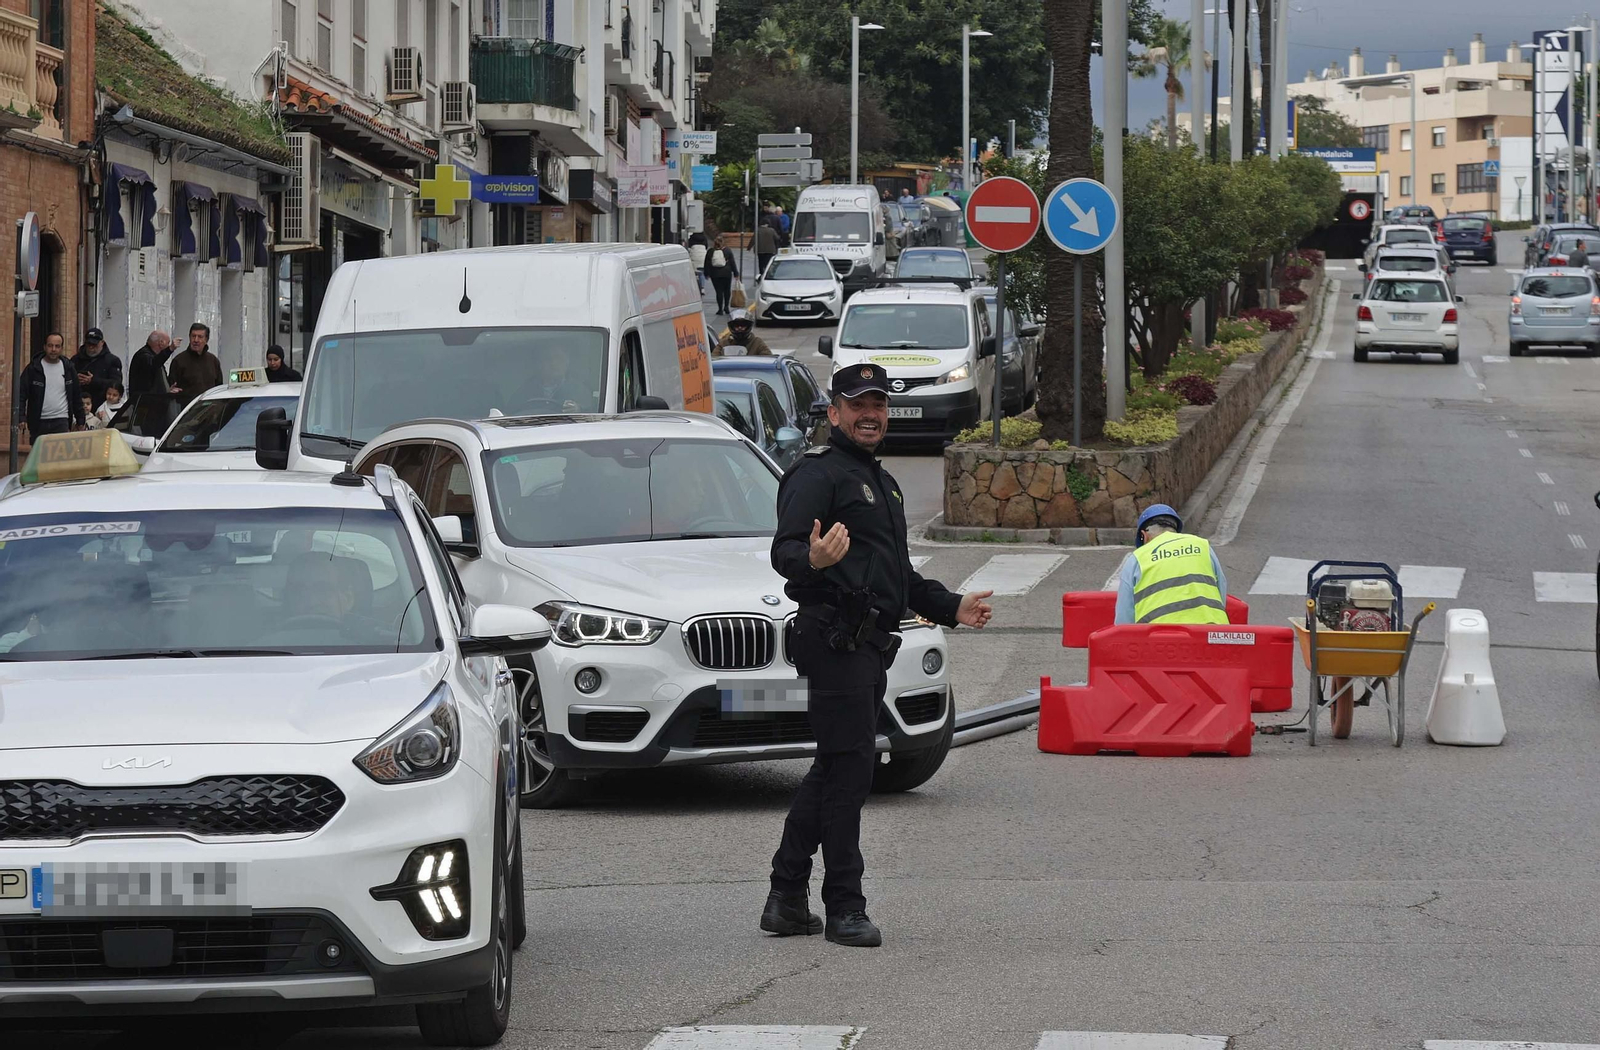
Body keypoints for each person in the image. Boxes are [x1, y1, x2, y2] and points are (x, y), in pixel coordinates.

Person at [764, 363, 993, 948]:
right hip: (835, 637)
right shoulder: (818, 475)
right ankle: (844, 904)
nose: (871, 414)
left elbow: (901, 577)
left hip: (868, 646)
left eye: (879, 404)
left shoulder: (881, 483)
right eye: (858, 404)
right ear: (834, 411)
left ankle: (786, 896)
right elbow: (785, 550)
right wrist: (811, 560)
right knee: (850, 772)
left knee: (839, 766)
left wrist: (953, 605)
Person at [1113, 504, 1229, 626]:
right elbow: (1221, 588)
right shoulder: (1203, 546)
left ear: (1144, 535)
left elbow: (1124, 618)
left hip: (1161, 640)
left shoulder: (1137, 558)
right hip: (1212, 635)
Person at [21, 332, 85, 439]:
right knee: (39, 454)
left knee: (60, 454)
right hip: (38, 421)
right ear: (44, 347)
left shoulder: (68, 368)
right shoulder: (34, 368)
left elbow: (76, 395)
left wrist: (80, 420)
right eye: (50, 346)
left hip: (61, 420)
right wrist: (21, 417)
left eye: (57, 346)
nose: (53, 349)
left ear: (62, 348)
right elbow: (21, 393)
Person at [126, 330, 174, 436]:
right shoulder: (143, 356)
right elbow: (153, 365)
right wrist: (170, 350)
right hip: (147, 408)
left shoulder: (153, 357)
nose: (168, 345)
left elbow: (155, 379)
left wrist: (167, 389)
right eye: (167, 342)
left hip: (158, 407)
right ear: (160, 343)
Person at [167, 322, 224, 409]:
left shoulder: (213, 361)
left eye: (200, 337)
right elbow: (171, 387)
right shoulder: (179, 361)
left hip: (210, 411)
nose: (196, 340)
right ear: (189, 338)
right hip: (187, 412)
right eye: (193, 336)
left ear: (206, 340)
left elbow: (219, 387)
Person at [73, 328, 123, 411]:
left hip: (102, 407)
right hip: (80, 406)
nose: (91, 346)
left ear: (102, 343)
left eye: (94, 344)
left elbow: (116, 384)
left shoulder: (112, 361)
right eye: (89, 344)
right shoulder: (75, 360)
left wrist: (93, 381)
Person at [705, 236, 735, 315]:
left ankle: (720, 309)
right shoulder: (727, 250)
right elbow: (732, 262)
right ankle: (726, 307)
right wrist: (736, 273)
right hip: (726, 274)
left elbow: (707, 263)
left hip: (715, 274)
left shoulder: (710, 251)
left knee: (719, 291)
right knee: (727, 290)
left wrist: (707, 273)